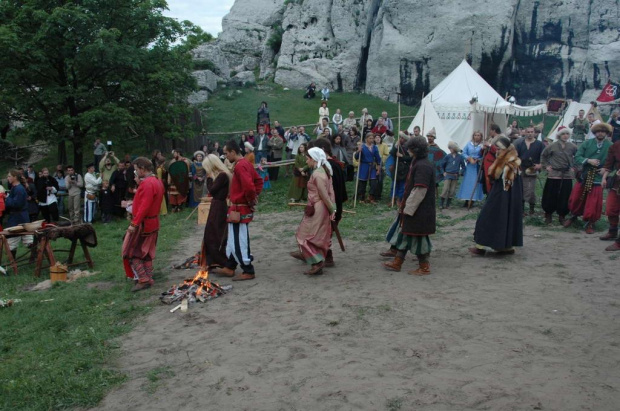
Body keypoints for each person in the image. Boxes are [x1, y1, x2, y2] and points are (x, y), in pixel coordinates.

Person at [383, 136, 436, 274]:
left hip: (420, 210)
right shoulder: (418, 162)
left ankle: (424, 267)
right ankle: (397, 262)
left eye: (410, 149)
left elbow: (420, 189)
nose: (408, 151)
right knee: (405, 234)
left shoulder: (423, 166)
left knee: (419, 238)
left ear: (415, 150)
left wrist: (409, 208)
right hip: (415, 209)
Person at [213, 140, 263, 281]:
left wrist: (251, 200)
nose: (225, 156)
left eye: (226, 153)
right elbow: (258, 181)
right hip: (239, 207)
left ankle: (248, 270)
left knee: (238, 240)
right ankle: (230, 266)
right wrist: (253, 198)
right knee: (232, 239)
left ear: (233, 152)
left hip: (239, 209)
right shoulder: (245, 164)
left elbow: (249, 187)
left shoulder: (241, 166)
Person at [470, 136, 523, 256]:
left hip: (502, 196)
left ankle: (482, 247)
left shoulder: (509, 162)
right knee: (503, 220)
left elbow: (506, 185)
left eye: (498, 148)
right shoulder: (508, 159)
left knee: (487, 217)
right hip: (505, 196)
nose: (497, 150)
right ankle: (504, 247)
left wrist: (501, 199)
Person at [290, 147, 336, 275]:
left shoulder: (318, 174)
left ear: (314, 159)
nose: (306, 160)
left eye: (308, 158)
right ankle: (312, 257)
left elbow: (325, 194)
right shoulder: (323, 171)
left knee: (304, 236)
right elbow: (331, 192)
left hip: (318, 207)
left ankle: (316, 262)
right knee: (313, 234)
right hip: (318, 206)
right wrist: (333, 207)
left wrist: (332, 209)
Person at [122, 157, 165, 292]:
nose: (135, 172)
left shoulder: (147, 184)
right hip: (152, 222)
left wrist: (134, 224)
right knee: (146, 252)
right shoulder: (156, 181)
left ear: (142, 169)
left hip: (144, 223)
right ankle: (148, 277)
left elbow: (144, 206)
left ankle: (143, 279)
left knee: (133, 252)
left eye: (136, 169)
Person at [563, 123, 613, 233]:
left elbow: (615, 161)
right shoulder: (587, 143)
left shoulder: (610, 145)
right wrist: (588, 160)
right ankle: (574, 216)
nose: (600, 133)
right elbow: (577, 157)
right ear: (595, 133)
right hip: (585, 174)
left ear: (606, 133)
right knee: (577, 197)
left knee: (593, 201)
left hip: (598, 177)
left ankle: (590, 222)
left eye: (603, 131)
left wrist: (606, 169)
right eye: (598, 131)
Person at [311, 137, 349, 268]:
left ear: (321, 150)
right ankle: (311, 253)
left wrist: (330, 207)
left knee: (323, 232)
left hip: (330, 206)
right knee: (320, 231)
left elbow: (335, 190)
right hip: (327, 205)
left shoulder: (330, 166)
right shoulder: (327, 165)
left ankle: (327, 256)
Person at [200, 154, 232, 269]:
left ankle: (219, 259)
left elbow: (212, 190)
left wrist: (209, 178)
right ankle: (212, 259)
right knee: (211, 232)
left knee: (214, 234)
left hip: (219, 206)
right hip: (217, 205)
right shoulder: (221, 175)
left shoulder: (222, 175)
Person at [540, 127, 578, 225]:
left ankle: (562, 215)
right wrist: (546, 166)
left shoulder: (572, 146)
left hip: (567, 174)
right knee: (550, 195)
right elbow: (543, 156)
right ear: (559, 135)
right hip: (554, 173)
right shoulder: (552, 146)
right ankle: (548, 214)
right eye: (563, 134)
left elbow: (578, 157)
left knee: (565, 195)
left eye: (567, 134)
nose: (565, 136)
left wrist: (575, 167)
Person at [515, 125, 545, 215]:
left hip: (533, 169)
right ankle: (522, 210)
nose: (530, 134)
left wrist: (540, 165)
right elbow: (515, 155)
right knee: (521, 188)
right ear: (525, 133)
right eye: (528, 132)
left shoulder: (540, 144)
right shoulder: (520, 143)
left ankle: (532, 208)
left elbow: (545, 156)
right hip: (521, 168)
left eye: (532, 132)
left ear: (534, 133)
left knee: (531, 189)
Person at [5, 170, 34, 256]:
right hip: (17, 216)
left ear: (15, 177)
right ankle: (36, 256)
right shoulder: (15, 188)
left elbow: (17, 204)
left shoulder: (19, 189)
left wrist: (7, 198)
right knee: (24, 240)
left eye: (9, 176)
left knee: (13, 240)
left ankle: (13, 262)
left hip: (19, 217)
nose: (8, 178)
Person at [601, 137, 620, 250]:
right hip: (617, 183)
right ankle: (612, 232)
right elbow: (609, 164)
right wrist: (604, 178)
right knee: (611, 209)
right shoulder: (616, 145)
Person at [457, 131, 484, 206]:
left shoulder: (482, 146)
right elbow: (464, 153)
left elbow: (484, 155)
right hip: (469, 166)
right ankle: (466, 199)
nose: (477, 136)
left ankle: (473, 199)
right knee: (468, 182)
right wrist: (468, 158)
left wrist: (478, 159)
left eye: (478, 135)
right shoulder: (469, 144)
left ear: (481, 137)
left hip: (477, 166)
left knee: (475, 182)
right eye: (475, 135)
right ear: (473, 136)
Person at [354, 132, 382, 204]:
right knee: (363, 182)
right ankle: (362, 198)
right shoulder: (362, 147)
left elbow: (378, 158)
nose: (372, 140)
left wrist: (378, 168)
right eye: (370, 138)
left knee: (373, 183)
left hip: (372, 166)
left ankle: (371, 197)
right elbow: (356, 157)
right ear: (366, 139)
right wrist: (358, 151)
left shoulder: (374, 147)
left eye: (372, 138)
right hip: (364, 166)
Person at [440, 141, 466, 209]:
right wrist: (443, 172)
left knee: (452, 191)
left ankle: (448, 204)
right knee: (445, 189)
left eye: (451, 148)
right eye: (449, 148)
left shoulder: (460, 157)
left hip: (455, 176)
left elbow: (463, 166)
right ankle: (441, 204)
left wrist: (460, 172)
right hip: (448, 175)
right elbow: (441, 165)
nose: (450, 149)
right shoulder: (448, 156)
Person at [388, 132, 412, 203]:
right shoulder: (396, 145)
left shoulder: (409, 147)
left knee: (402, 185)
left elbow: (411, 158)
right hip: (396, 168)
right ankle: (392, 198)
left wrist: (402, 156)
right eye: (400, 137)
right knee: (394, 185)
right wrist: (395, 147)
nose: (401, 139)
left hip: (404, 168)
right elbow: (392, 153)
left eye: (402, 138)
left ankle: (399, 199)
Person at [426, 128, 447, 196]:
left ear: (434, 138)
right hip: (426, 166)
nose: (429, 138)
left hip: (433, 167)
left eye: (431, 136)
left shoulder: (436, 147)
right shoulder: (425, 146)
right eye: (428, 136)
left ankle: (434, 195)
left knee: (434, 182)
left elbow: (440, 157)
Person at [482, 124, 501, 193]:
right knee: (487, 182)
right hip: (487, 163)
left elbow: (499, 151)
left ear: (494, 130)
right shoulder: (491, 139)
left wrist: (490, 145)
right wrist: (483, 148)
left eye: (490, 130)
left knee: (491, 181)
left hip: (493, 163)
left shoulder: (501, 139)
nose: (489, 132)